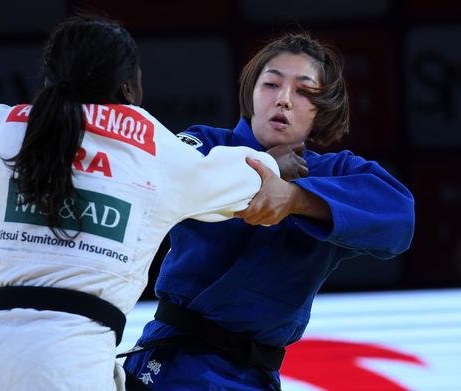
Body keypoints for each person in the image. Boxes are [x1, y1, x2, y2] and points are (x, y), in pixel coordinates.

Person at [0, 15, 298, 391]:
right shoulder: (153, 149)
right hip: (66, 368)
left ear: (49, 79)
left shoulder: (1, 126)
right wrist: (277, 163)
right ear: (130, 88)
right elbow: (242, 176)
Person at [123, 33, 415, 390]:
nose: (284, 99)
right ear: (251, 93)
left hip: (255, 376)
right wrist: (260, 169)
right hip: (172, 361)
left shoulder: (333, 172)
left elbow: (400, 218)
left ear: (322, 109)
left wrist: (294, 198)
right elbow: (164, 180)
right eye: (271, 84)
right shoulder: (206, 144)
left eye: (305, 91)